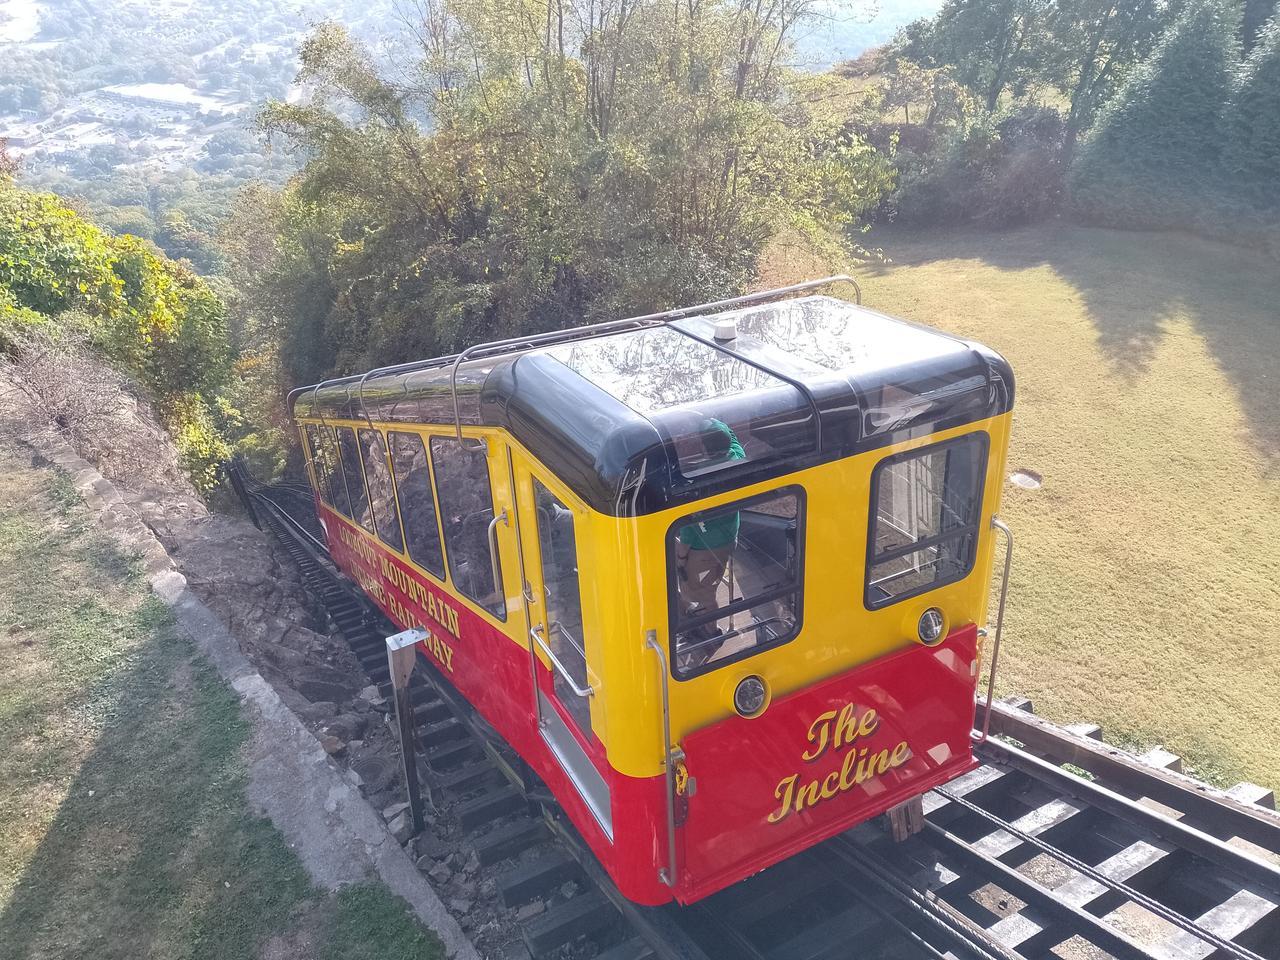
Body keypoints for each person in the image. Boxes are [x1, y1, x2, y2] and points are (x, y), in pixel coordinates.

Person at [675, 418, 746, 622]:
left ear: (704, 447)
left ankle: (711, 631)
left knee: (702, 593)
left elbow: (688, 530)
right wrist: (712, 420)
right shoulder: (737, 456)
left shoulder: (699, 478)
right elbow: (731, 436)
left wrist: (681, 558)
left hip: (703, 550)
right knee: (709, 583)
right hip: (729, 539)